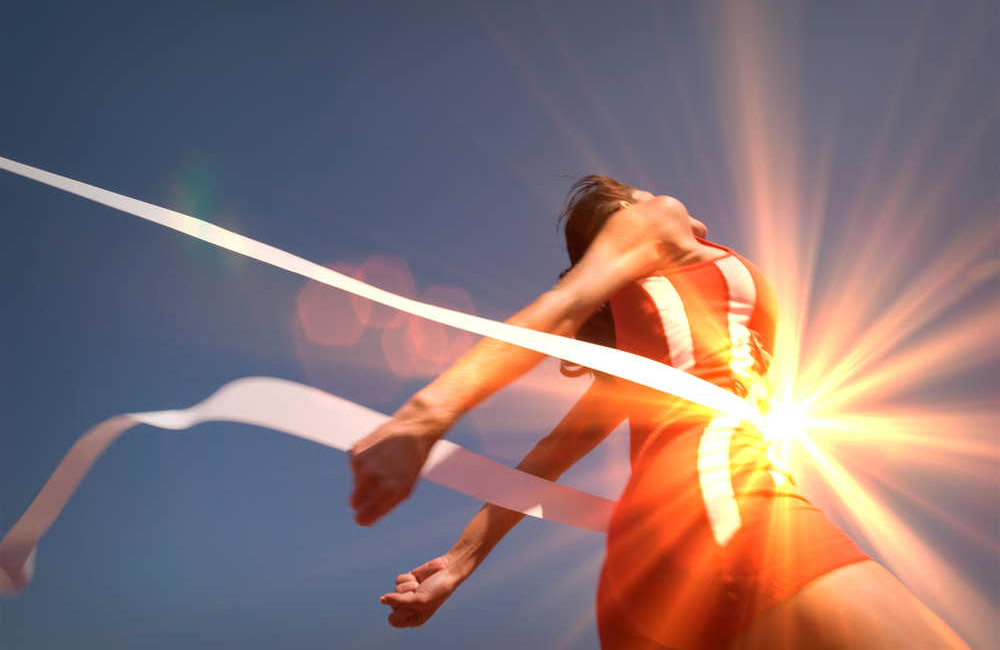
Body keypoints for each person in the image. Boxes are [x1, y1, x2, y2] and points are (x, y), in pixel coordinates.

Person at [350, 176, 969, 649]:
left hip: (640, 575)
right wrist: (422, 417)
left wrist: (457, 564)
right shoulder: (656, 217)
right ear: (626, 209)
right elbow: (563, 304)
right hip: (721, 504)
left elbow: (553, 453)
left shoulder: (645, 352)